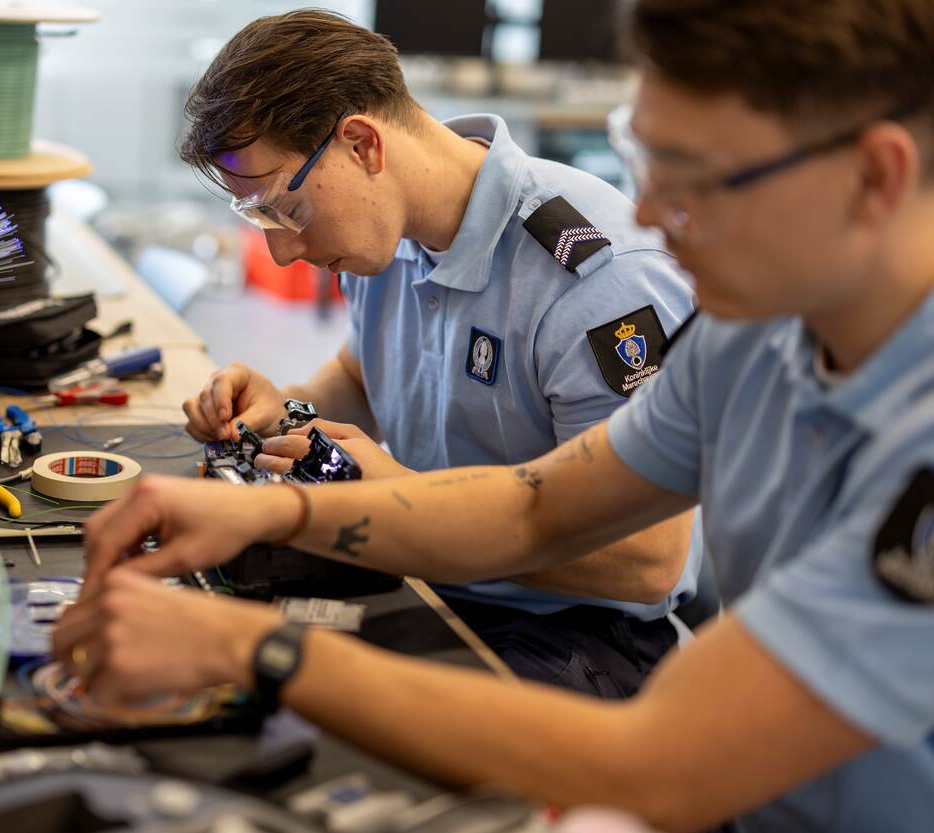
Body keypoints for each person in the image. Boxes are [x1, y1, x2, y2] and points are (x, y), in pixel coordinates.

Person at [55, 1, 934, 829]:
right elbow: (532, 507)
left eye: (699, 178)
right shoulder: (752, 333)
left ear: (875, 176)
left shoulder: (905, 432)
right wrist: (268, 506)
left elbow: (654, 756)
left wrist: (252, 647)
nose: (653, 216)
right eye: (644, 159)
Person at [176, 10, 703, 694]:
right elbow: (358, 375)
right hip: (434, 577)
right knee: (220, 648)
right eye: (258, 218)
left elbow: (645, 559)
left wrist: (400, 498)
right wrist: (286, 410)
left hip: (578, 633)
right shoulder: (380, 233)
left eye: (287, 209)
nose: (282, 250)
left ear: (363, 145)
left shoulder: (595, 280)